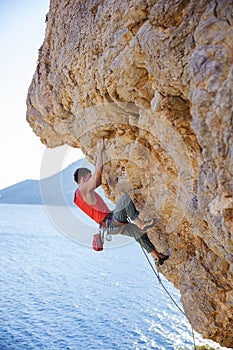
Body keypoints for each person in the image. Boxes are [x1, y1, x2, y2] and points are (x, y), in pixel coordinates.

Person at [73, 138, 169, 265]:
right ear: (83, 179)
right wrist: (100, 151)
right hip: (111, 223)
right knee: (124, 198)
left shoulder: (79, 196)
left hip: (109, 226)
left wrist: (97, 162)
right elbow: (97, 177)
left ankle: (157, 256)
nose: (90, 180)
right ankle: (141, 223)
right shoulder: (82, 189)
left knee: (137, 233)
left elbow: (98, 179)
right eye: (88, 177)